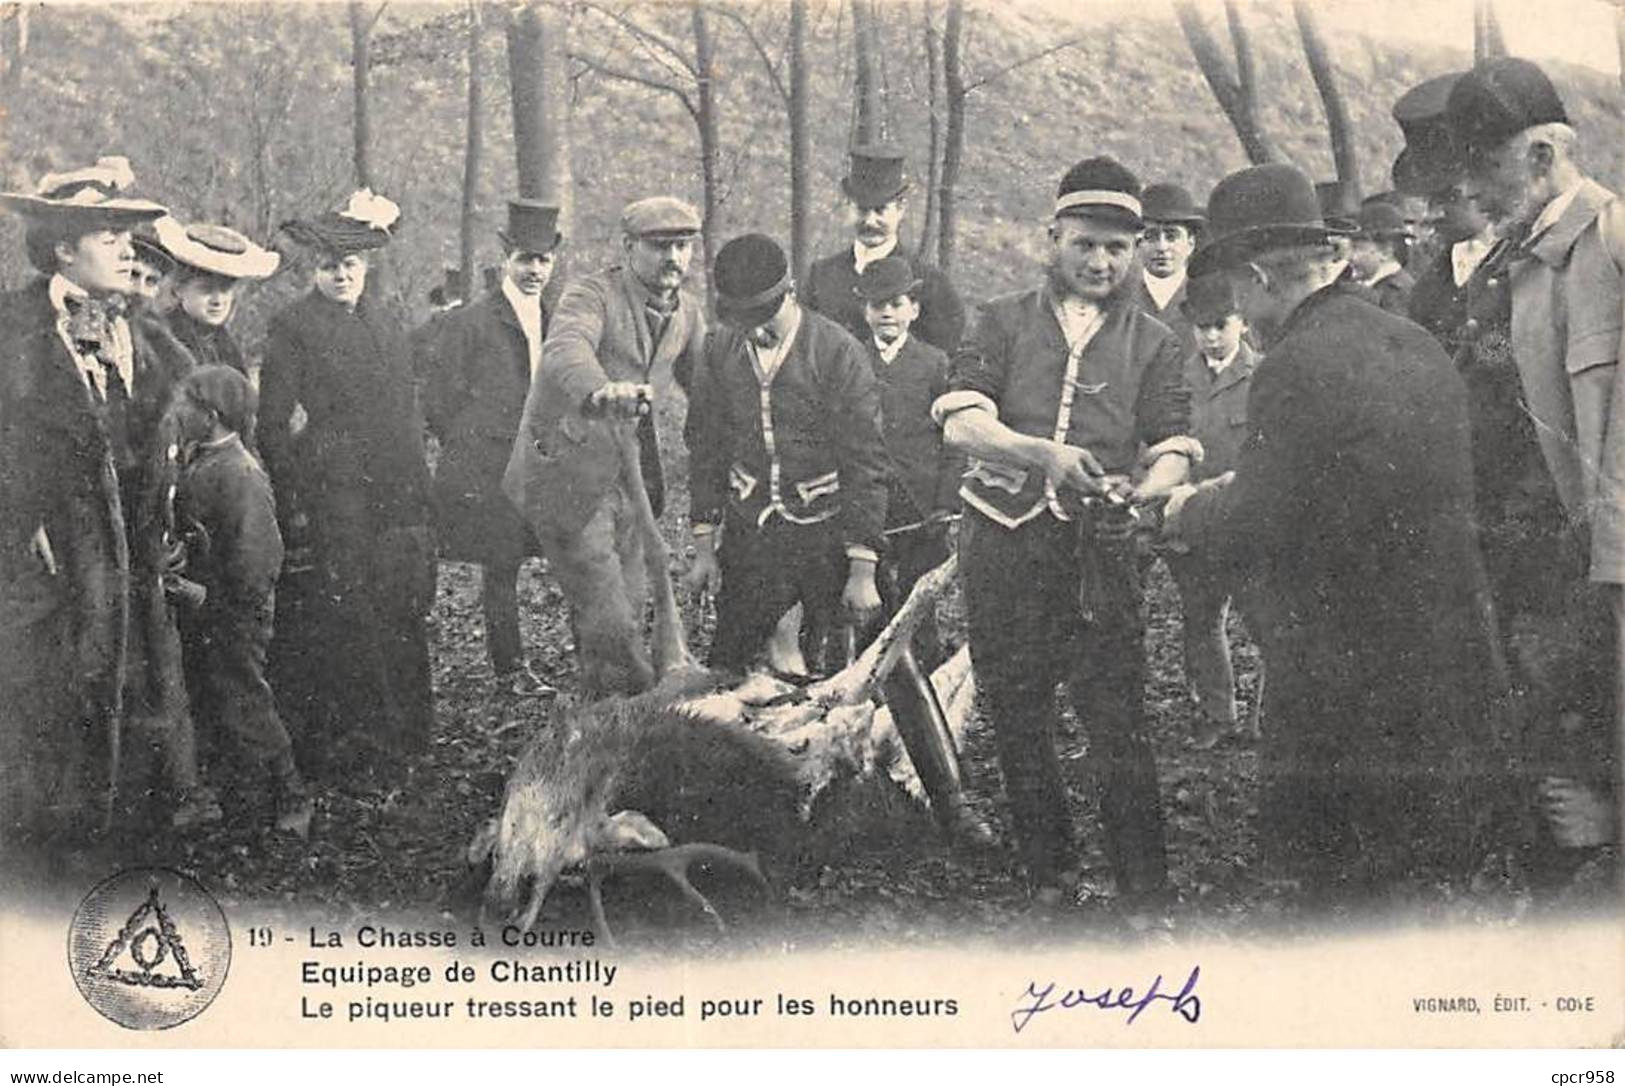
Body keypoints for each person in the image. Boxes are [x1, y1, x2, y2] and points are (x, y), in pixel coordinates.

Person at [1163, 162, 1499, 903]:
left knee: (1339, 892)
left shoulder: (1291, 365)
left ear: (1256, 277)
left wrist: (1185, 510)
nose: (1241, 318)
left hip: (1343, 691)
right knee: (1414, 878)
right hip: (1444, 674)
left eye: (1237, 297)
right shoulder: (1410, 340)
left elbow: (1260, 520)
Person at [930, 157, 1197, 908]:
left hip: (1098, 552)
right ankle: (1050, 877)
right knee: (1017, 714)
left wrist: (1143, 490)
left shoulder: (1155, 342)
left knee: (1117, 718)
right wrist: (1037, 453)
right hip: (1003, 544)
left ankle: (1144, 892)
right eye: (1084, 244)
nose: (1100, 262)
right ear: (1051, 238)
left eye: (1117, 248)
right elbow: (960, 421)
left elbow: (1174, 442)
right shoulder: (999, 319)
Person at [0, 157, 218, 843]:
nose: (128, 249)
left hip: (138, 584)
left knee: (143, 721)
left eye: (130, 235)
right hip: (52, 582)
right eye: (107, 234)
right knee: (52, 741)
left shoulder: (152, 344)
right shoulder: (14, 340)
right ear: (63, 248)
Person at [1446, 56, 1623, 856]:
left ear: (1544, 155)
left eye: (1486, 167)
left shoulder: (1612, 244)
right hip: (1541, 577)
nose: (1474, 193)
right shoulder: (1511, 264)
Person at [503, 196, 707, 697]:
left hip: (635, 481)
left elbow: (709, 383)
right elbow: (565, 347)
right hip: (571, 478)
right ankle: (634, 718)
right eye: (660, 247)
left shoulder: (687, 312)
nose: (674, 259)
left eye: (683, 247)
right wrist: (599, 390)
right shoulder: (591, 295)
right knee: (610, 619)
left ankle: (602, 717)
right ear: (628, 247)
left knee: (628, 608)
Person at [260, 189, 436, 773]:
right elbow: (272, 421)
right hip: (335, 482)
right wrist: (293, 492)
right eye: (329, 266)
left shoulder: (386, 320)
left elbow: (406, 408)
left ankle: (407, 729)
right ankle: (358, 735)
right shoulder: (293, 325)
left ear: (367, 267)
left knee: (400, 596)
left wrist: (418, 484)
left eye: (350, 266)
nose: (340, 276)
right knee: (348, 603)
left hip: (395, 477)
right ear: (314, 269)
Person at [684, 233, 888, 676]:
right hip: (750, 530)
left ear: (790, 292)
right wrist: (703, 546)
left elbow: (865, 463)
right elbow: (705, 446)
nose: (754, 330)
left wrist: (862, 567)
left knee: (825, 674)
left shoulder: (837, 352)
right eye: (742, 319)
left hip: (823, 533)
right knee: (728, 664)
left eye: (764, 316)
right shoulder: (719, 349)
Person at [842, 254, 988, 844]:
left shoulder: (934, 364)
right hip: (870, 510)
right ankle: (860, 737)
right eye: (877, 306)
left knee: (918, 628)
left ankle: (928, 743)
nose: (887, 315)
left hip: (923, 510)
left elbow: (953, 442)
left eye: (897, 305)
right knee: (867, 619)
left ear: (914, 309)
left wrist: (946, 500)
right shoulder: (851, 360)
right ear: (865, 310)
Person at [423, 199, 562, 697]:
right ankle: (510, 669)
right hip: (489, 466)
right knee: (500, 565)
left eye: (543, 260)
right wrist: (471, 440)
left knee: (568, 555)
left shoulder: (555, 318)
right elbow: (438, 395)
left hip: (542, 461)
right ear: (506, 257)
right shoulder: (473, 321)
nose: (534, 270)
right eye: (525, 258)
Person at [170, 365, 313, 836]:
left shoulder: (241, 473)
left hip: (236, 616)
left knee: (247, 703)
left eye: (186, 404)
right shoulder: (202, 460)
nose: (178, 412)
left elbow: (258, 563)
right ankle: (248, 799)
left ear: (210, 415)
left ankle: (292, 796)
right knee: (223, 703)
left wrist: (204, 597)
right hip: (212, 611)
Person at [1163, 272, 1259, 751]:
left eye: (1221, 324)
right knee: (1201, 619)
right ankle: (1216, 714)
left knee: (1264, 621)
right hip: (1193, 519)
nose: (1212, 335)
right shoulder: (1178, 379)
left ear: (1242, 322)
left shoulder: (1264, 376)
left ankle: (1266, 719)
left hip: (1248, 518)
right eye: (1202, 326)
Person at [802, 143, 965, 352]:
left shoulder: (931, 283)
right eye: (862, 210)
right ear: (847, 207)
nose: (870, 221)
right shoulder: (822, 276)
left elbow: (943, 361)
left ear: (900, 209)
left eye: (880, 210)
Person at [156, 216, 280, 378]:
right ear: (179, 289)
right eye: (206, 289)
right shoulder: (162, 337)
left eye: (225, 289)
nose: (217, 301)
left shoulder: (225, 344)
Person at [1125, 182, 1205, 352]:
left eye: (1171, 236)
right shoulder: (1119, 301)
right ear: (1137, 243)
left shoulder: (1211, 298)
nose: (1162, 247)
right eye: (1151, 236)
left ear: (1190, 243)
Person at [1347, 200, 1416, 313]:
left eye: (1357, 248)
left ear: (1385, 252)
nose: (1350, 257)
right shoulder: (1377, 289)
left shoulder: (1395, 296)